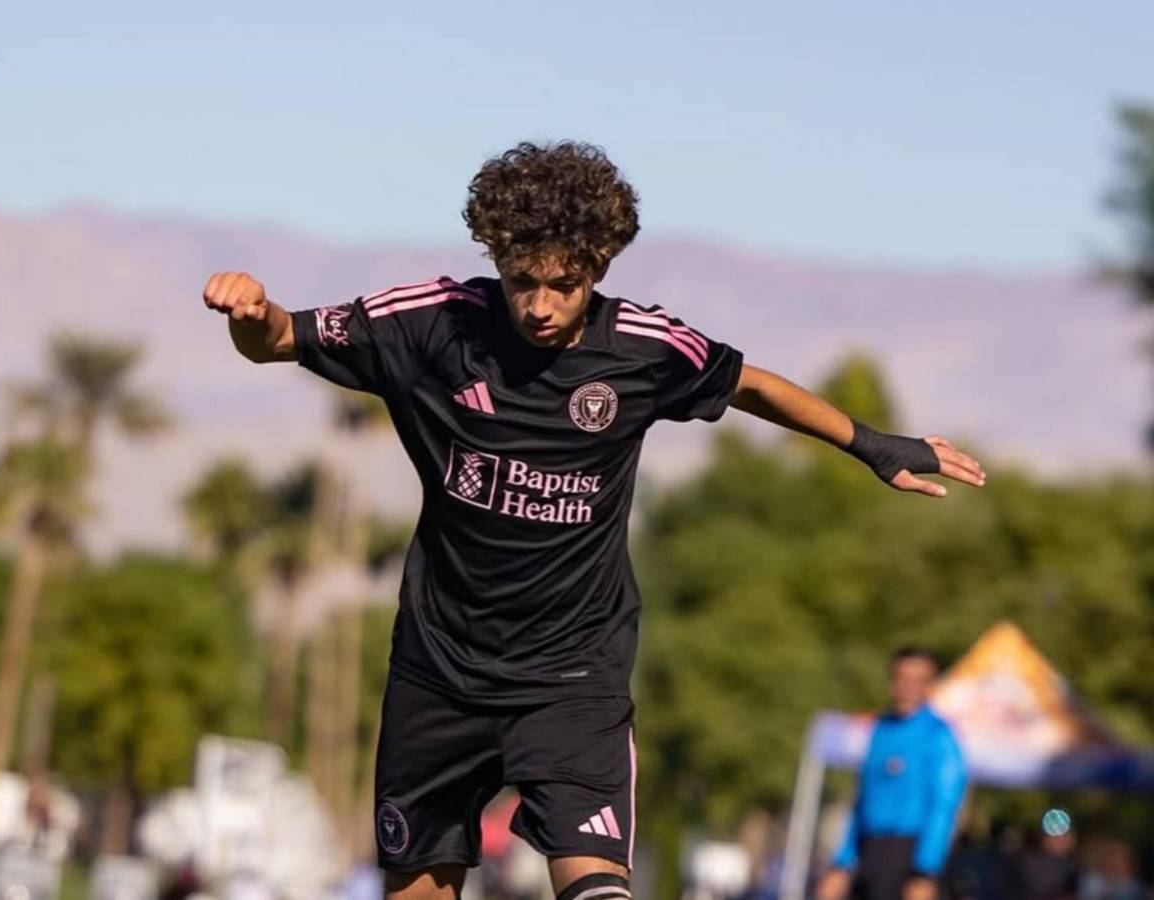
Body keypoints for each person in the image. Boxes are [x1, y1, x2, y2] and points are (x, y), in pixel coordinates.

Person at [201, 141, 986, 900]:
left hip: (572, 678)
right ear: (496, 261)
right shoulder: (432, 323)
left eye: (563, 285)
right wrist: (253, 308)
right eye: (520, 282)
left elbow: (752, 387)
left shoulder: (644, 349)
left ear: (599, 269)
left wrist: (874, 445)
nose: (539, 306)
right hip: (439, 673)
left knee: (598, 887)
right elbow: (279, 339)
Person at [816, 647, 969, 900]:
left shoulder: (939, 735)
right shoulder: (880, 729)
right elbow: (862, 802)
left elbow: (943, 806)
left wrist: (925, 871)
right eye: (902, 679)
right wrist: (842, 863)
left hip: (910, 853)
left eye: (917, 681)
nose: (907, 687)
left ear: (930, 686)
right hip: (870, 851)